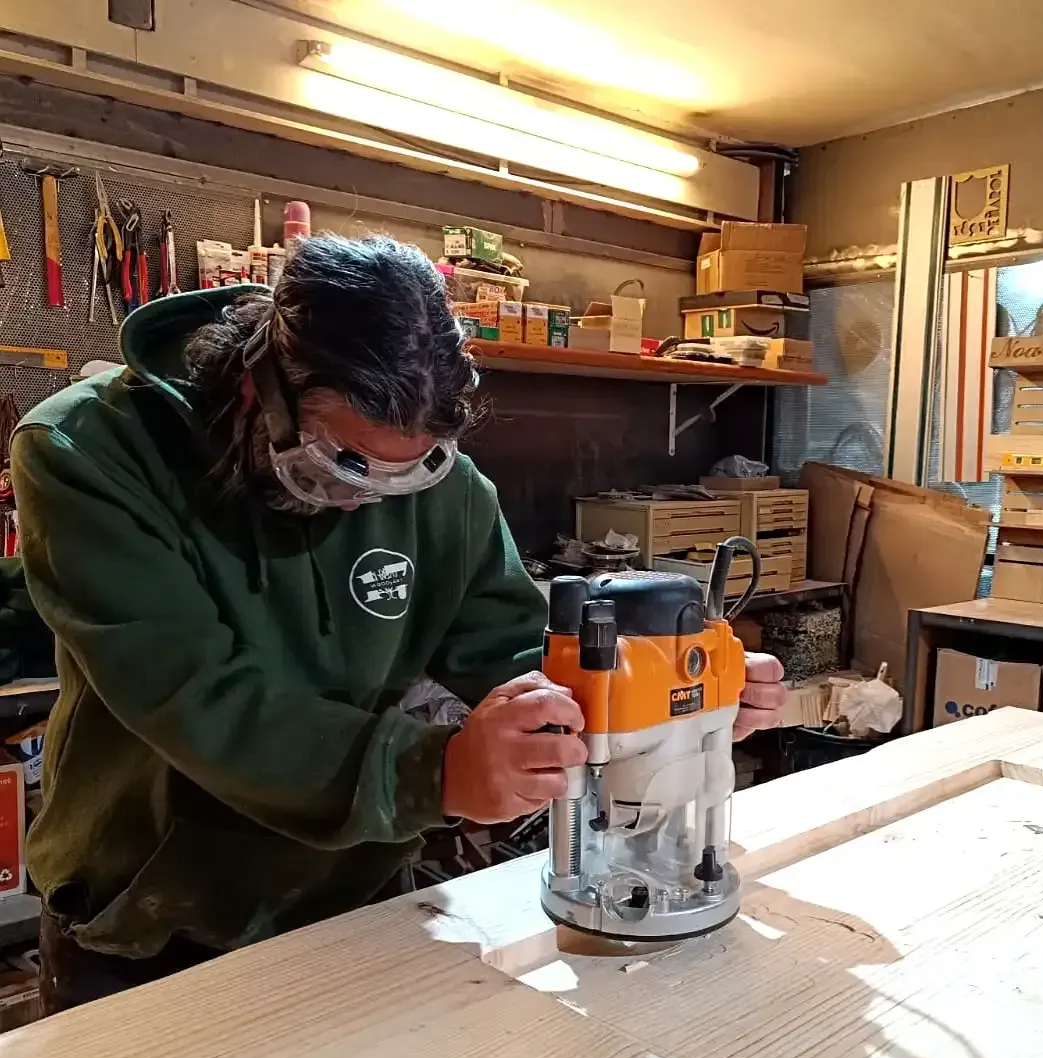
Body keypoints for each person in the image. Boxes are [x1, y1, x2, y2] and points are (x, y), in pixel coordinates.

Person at [12, 234, 786, 1014]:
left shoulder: (440, 490)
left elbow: (519, 653)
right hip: (152, 916)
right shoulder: (87, 453)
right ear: (261, 392)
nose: (370, 498)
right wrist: (434, 773)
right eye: (344, 464)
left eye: (410, 471)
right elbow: (197, 694)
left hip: (358, 900)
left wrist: (671, 699)